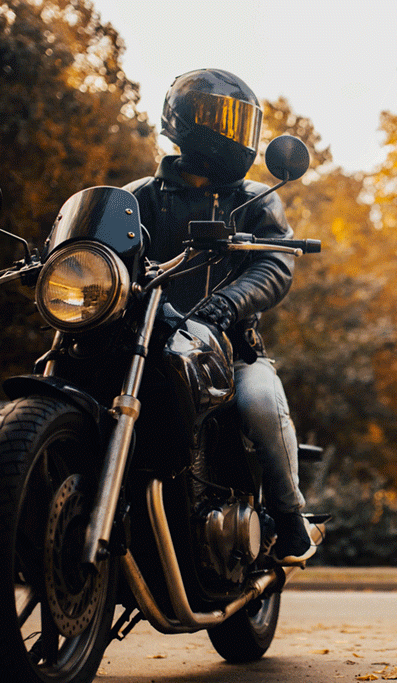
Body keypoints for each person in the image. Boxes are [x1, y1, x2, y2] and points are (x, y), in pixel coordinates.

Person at [124, 68, 315, 565]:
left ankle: (291, 520)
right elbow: (100, 245)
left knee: (257, 402)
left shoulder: (254, 199)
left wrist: (227, 303)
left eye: (238, 122)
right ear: (184, 121)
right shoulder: (138, 197)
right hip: (144, 347)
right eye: (218, 117)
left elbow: (275, 263)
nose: (230, 132)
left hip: (228, 352)